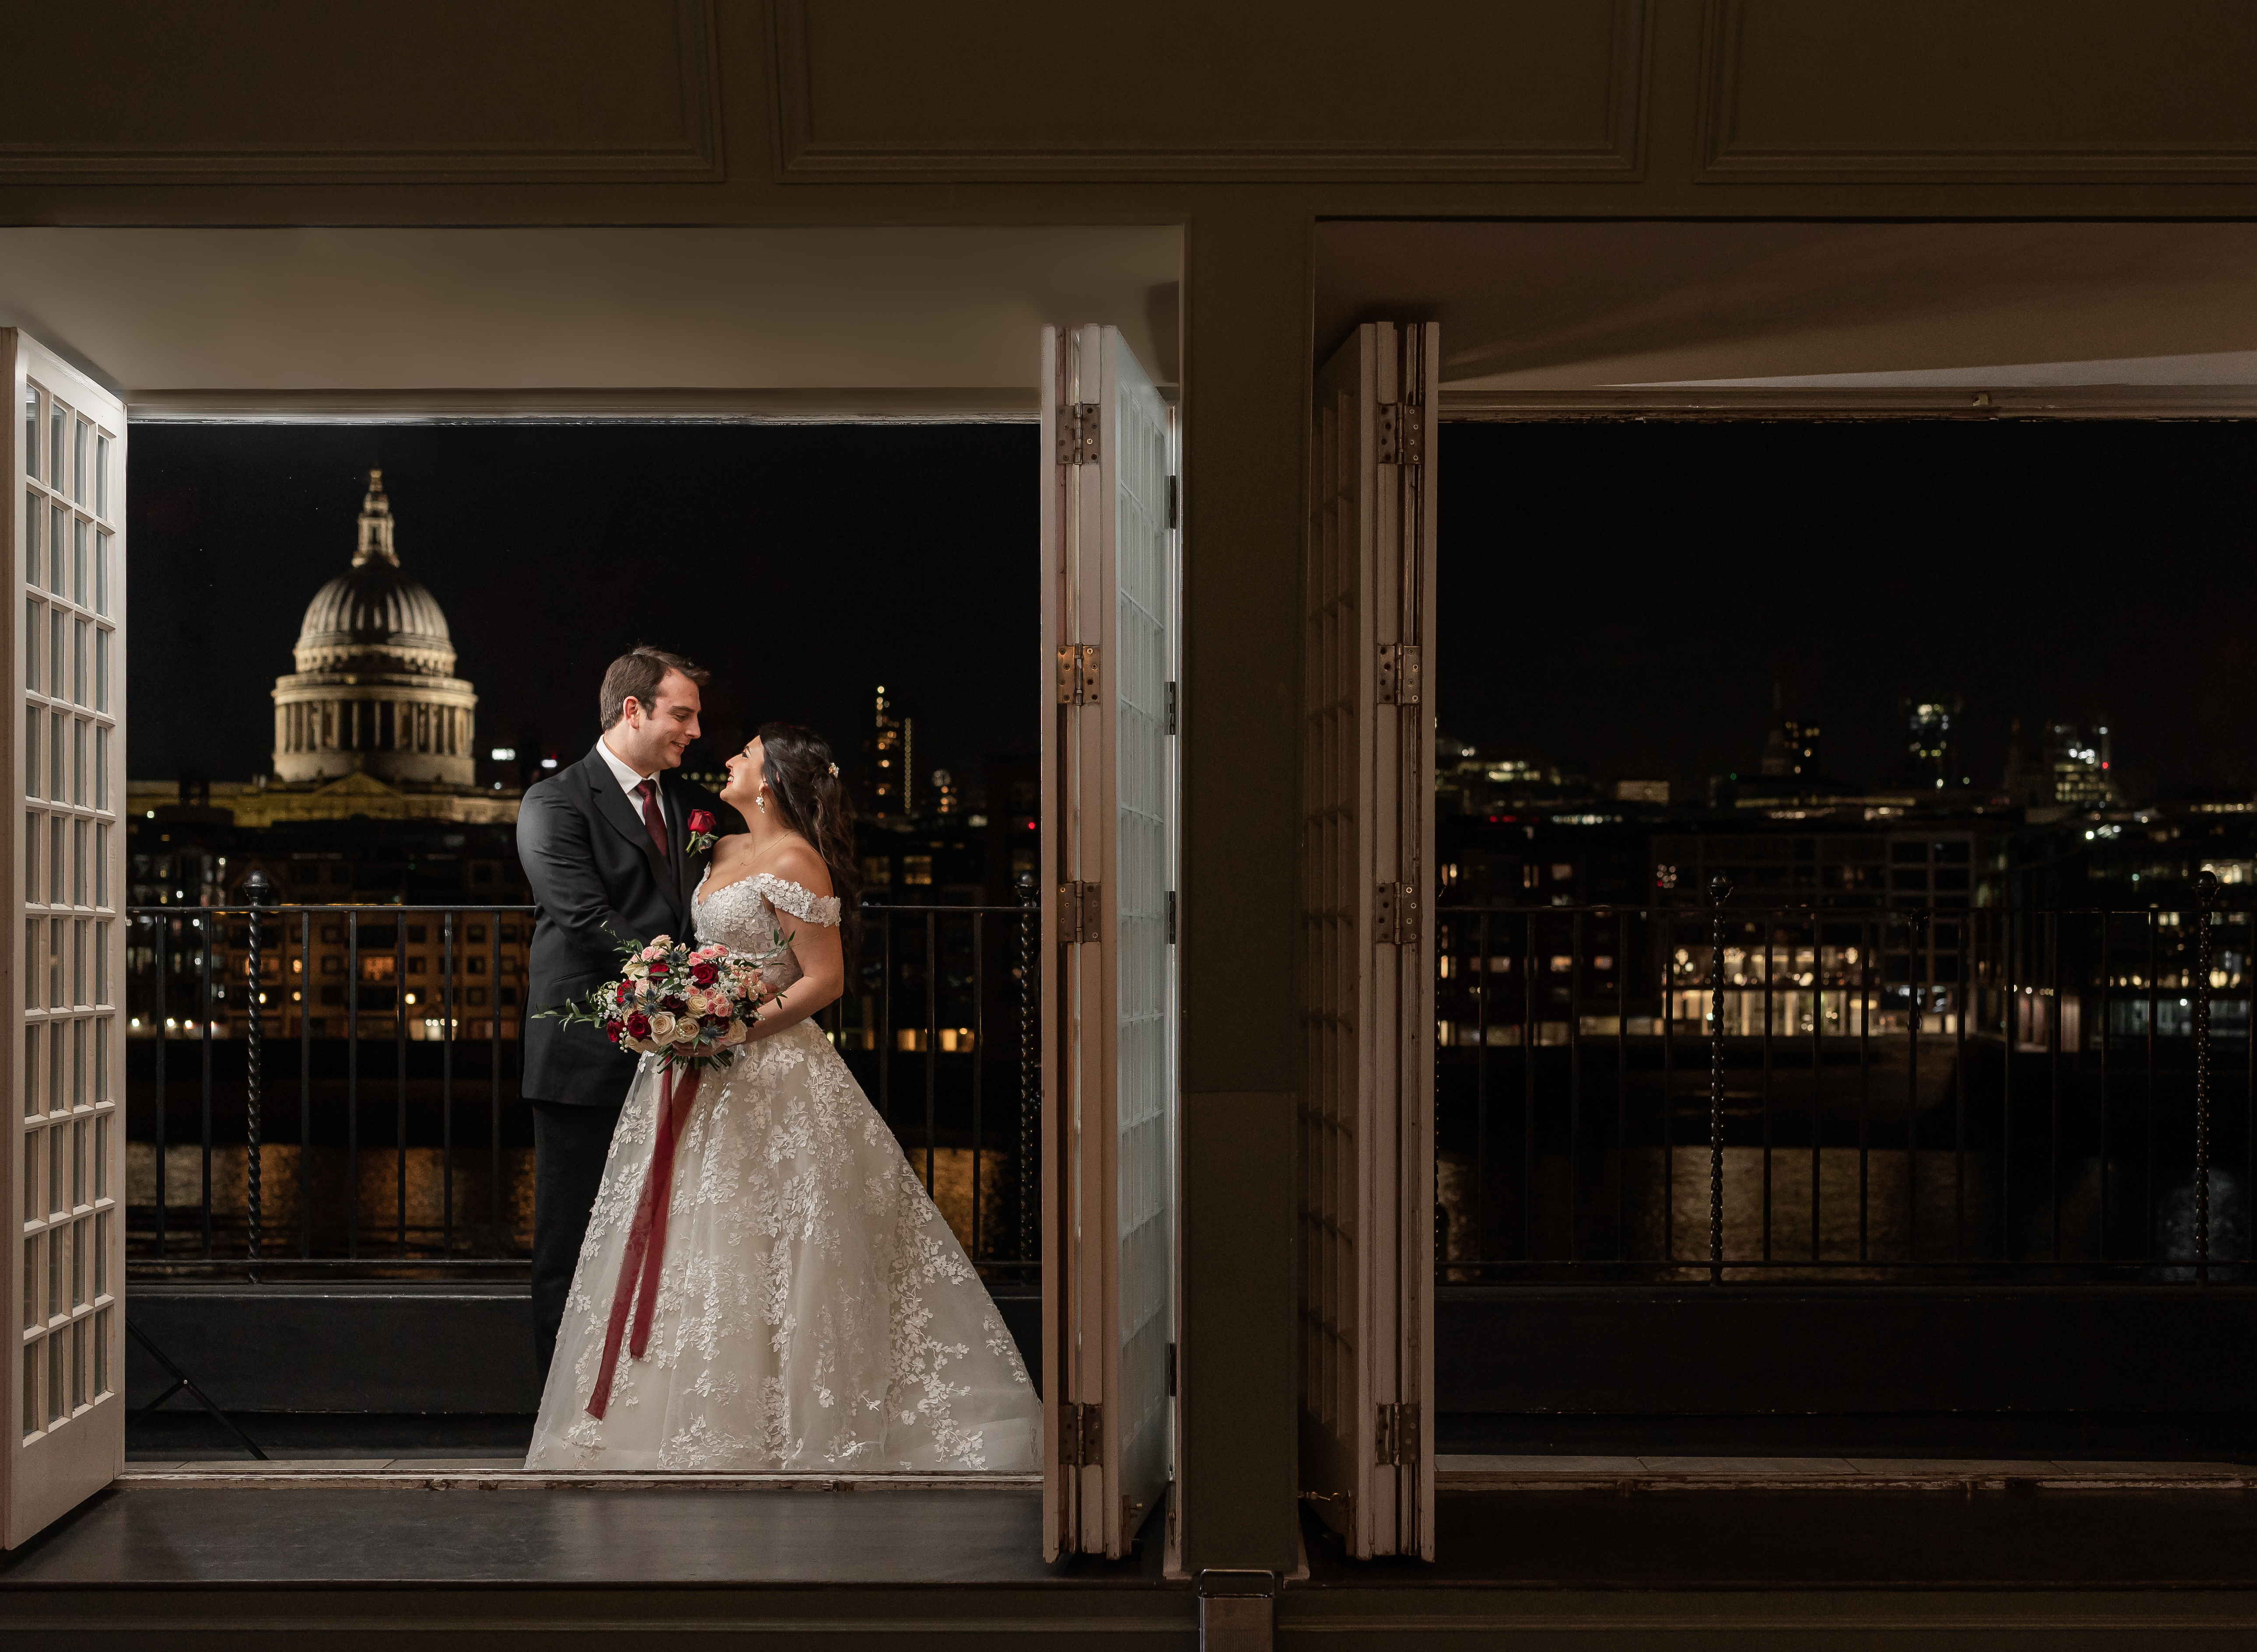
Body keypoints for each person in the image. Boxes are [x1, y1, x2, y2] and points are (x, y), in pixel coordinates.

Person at [526, 723, 1039, 1472]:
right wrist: (680, 1008)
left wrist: (727, 1032)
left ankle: (790, 1422)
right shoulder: (723, 849)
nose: (725, 759)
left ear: (768, 782)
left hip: (764, 1066)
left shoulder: (799, 861)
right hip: (691, 1069)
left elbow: (822, 980)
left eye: (743, 755)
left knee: (783, 1240)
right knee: (697, 1242)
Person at [517, 647, 738, 1380]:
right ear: (633, 710)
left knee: (667, 1240)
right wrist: (690, 987)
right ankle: (557, 1409)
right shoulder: (553, 801)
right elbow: (584, 920)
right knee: (572, 1240)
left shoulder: (686, 805)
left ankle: (639, 1401)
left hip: (674, 1053)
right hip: (586, 1056)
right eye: (683, 714)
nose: (695, 731)